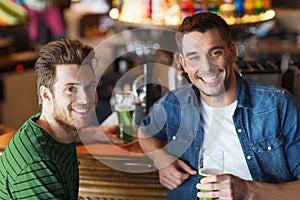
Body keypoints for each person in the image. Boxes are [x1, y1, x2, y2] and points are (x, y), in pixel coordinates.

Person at [138, 12, 300, 200]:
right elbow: (145, 132)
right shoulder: (174, 104)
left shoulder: (278, 105)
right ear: (183, 63)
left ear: (232, 51)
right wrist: (161, 160)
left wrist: (248, 191)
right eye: (194, 57)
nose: (207, 67)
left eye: (215, 53)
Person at [0, 38, 121, 199]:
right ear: (46, 95)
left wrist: (95, 133)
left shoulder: (53, 129)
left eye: (90, 87)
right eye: (71, 89)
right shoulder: (37, 166)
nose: (85, 98)